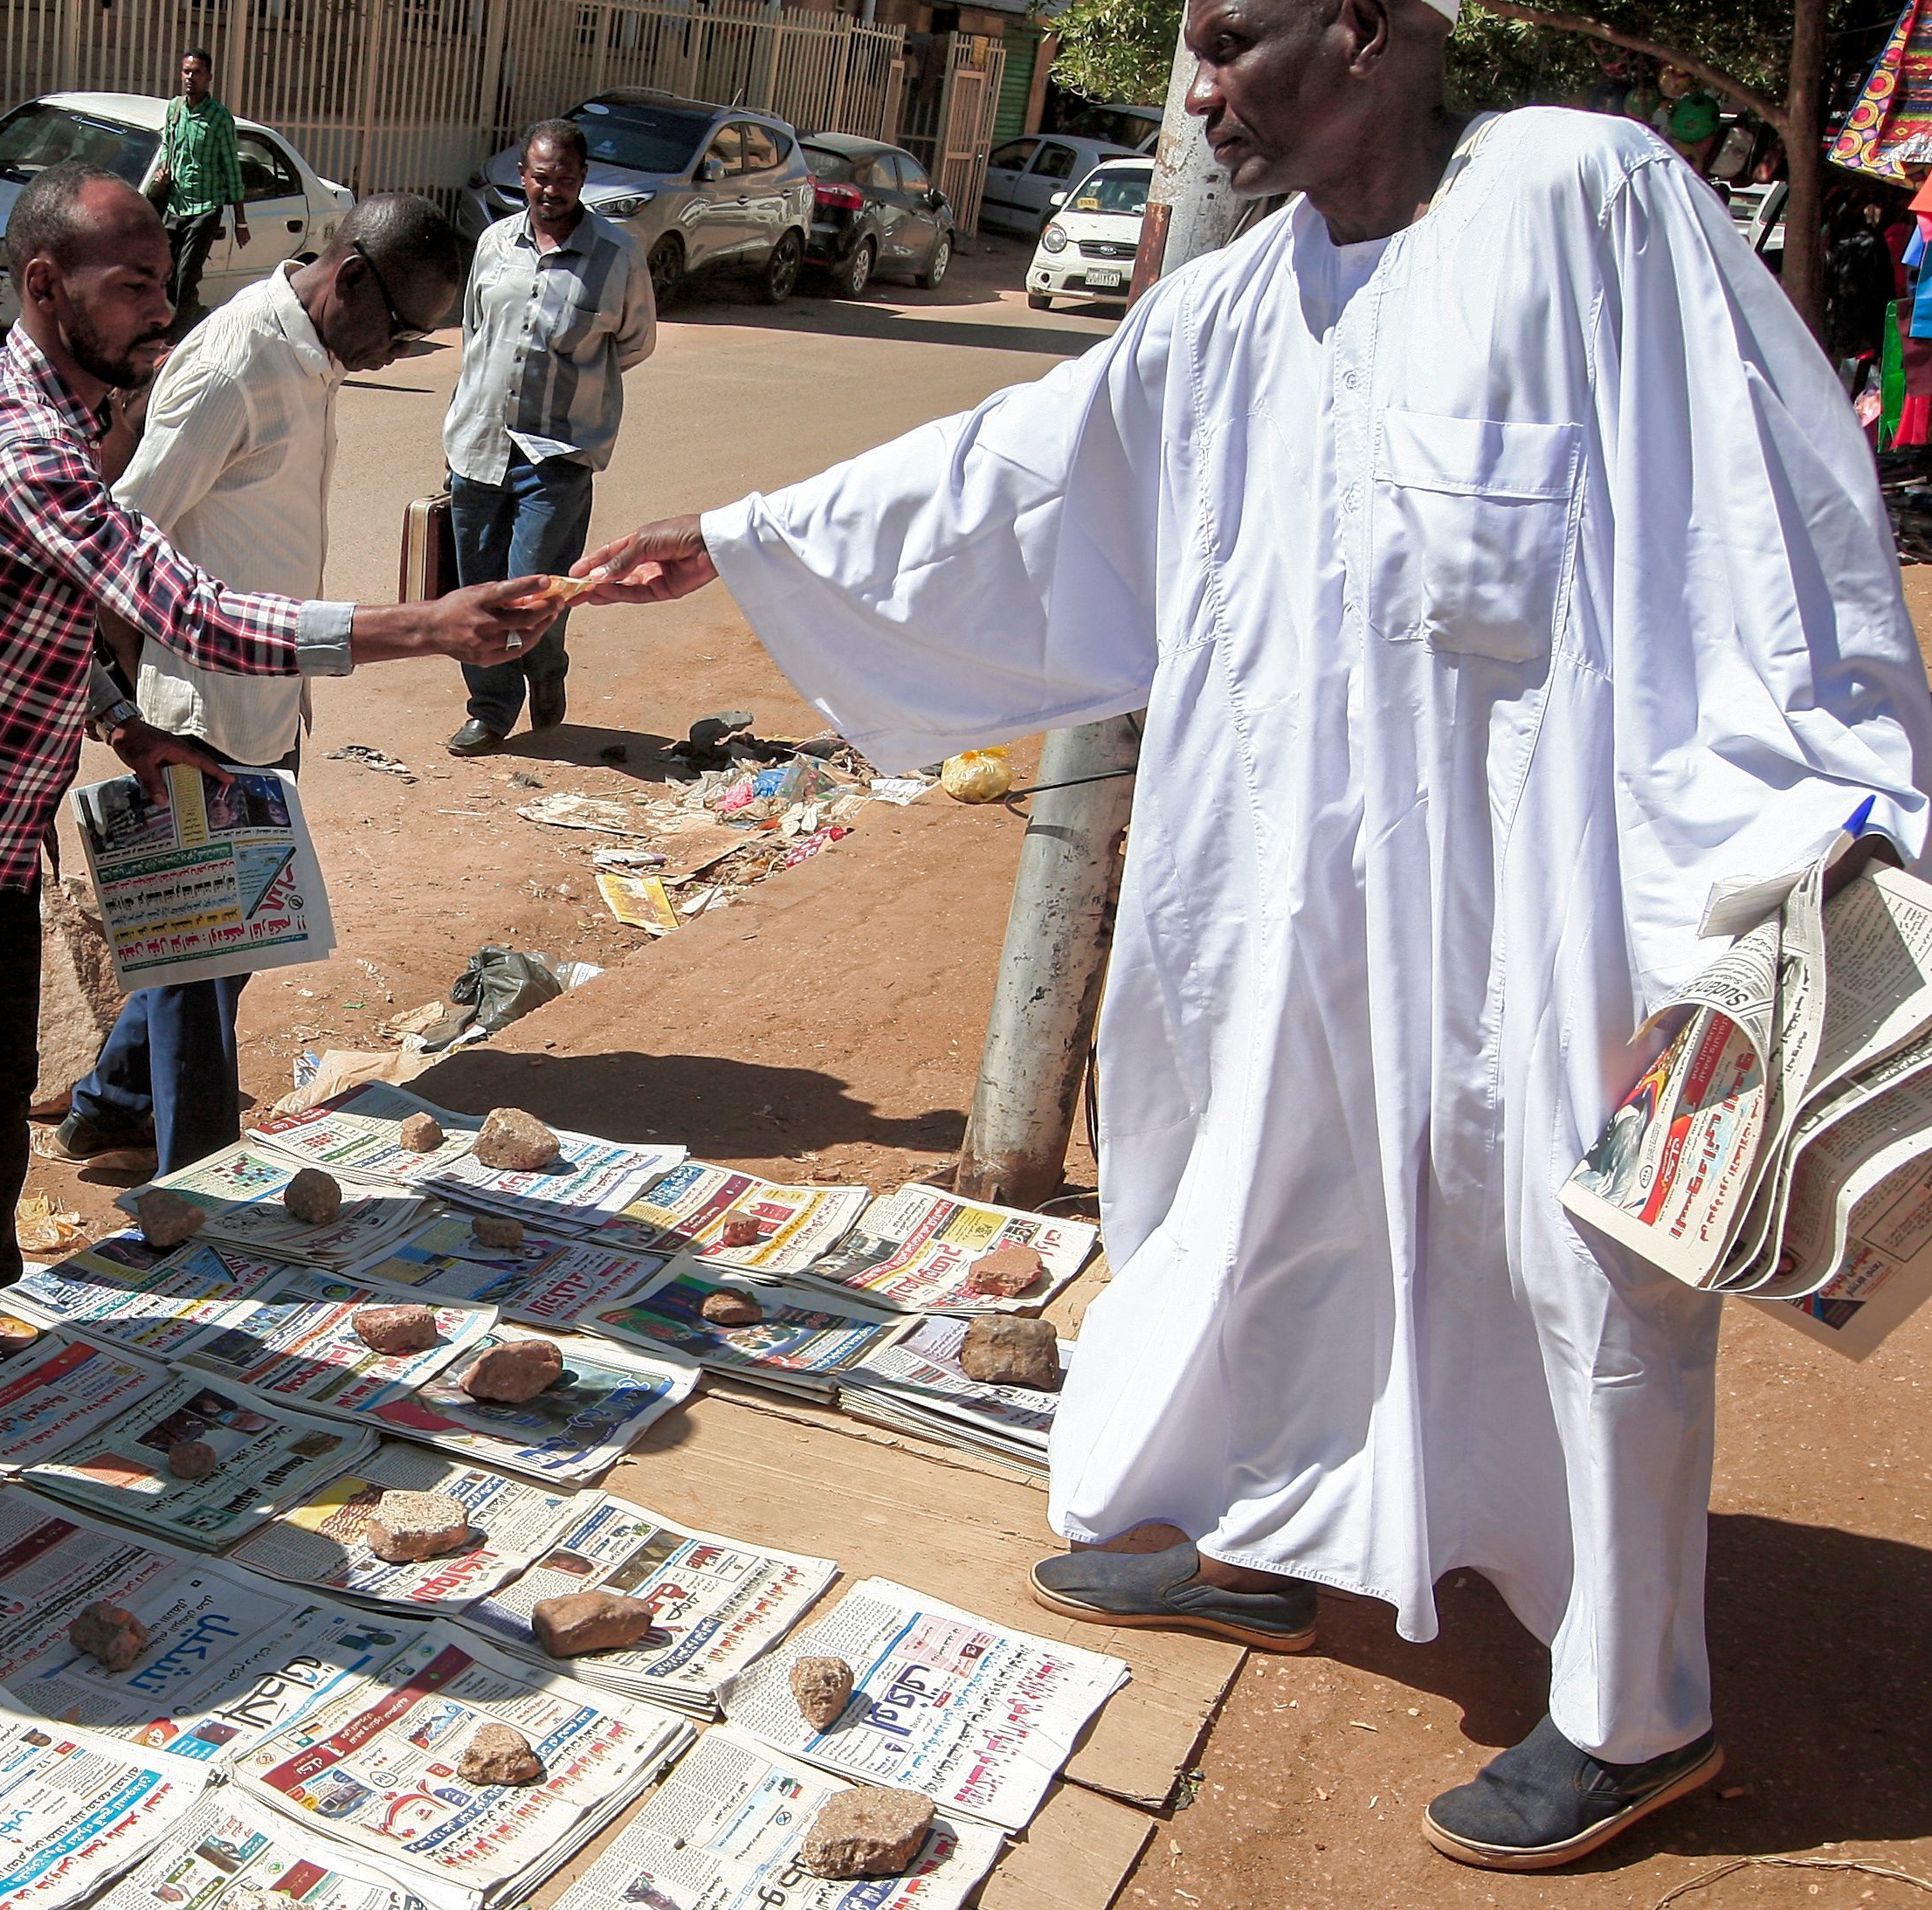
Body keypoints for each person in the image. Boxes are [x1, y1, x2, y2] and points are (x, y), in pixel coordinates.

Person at [572, 0, 1931, 1872]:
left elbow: (1766, 517)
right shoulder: (1240, 303)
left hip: (1532, 908)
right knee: (1250, 1183)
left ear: (1366, 31)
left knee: (1576, 1265)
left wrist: (1814, 820)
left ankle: (1638, 1710)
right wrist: (742, 532)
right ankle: (1267, 1536)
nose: (1193, 89)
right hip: (1283, 892)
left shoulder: (1575, 201)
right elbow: (1027, 467)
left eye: (1226, 42)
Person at [0, 162, 555, 1367]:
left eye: (166, 279)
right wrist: (423, 624)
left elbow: (45, 610)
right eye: (135, 285)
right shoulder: (18, 431)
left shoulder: (71, 410)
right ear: (48, 286)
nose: (163, 308)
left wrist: (123, 723)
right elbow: (172, 601)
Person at [45, 194, 474, 1176]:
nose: (393, 351)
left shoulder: (314, 356)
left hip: (266, 696)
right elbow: (117, 537)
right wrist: (123, 706)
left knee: (225, 943)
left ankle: (109, 1101)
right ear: (351, 274)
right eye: (399, 330)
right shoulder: (237, 363)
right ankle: (195, 1174)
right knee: (203, 956)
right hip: (197, 707)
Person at [439, 118, 654, 756]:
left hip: (558, 453)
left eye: (562, 177)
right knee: (480, 590)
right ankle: (491, 708)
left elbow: (635, 343)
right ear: (523, 177)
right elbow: (476, 332)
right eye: (538, 176)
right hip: (479, 443)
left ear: (582, 178)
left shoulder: (617, 257)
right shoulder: (493, 244)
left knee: (531, 585)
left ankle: (543, 664)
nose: (549, 189)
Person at [141, 48, 246, 321]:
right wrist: (163, 171)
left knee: (188, 273)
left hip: (206, 208)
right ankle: (199, 318)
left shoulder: (219, 118)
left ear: (209, 77)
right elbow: (168, 146)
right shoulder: (174, 109)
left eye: (197, 72)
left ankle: (178, 334)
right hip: (176, 205)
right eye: (187, 71)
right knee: (166, 273)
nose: (191, 77)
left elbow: (232, 169)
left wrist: (241, 220)